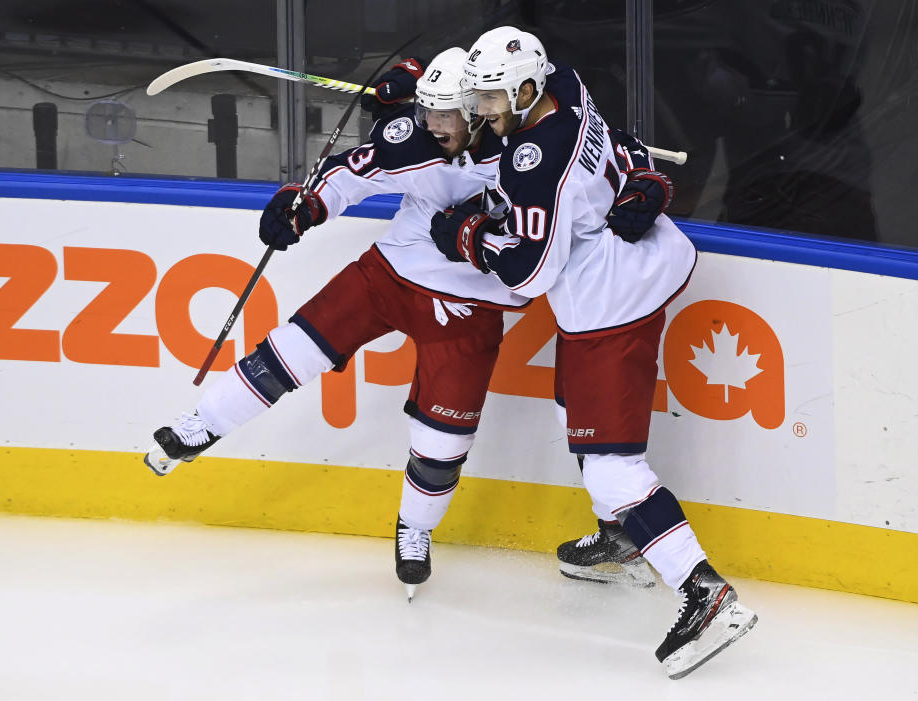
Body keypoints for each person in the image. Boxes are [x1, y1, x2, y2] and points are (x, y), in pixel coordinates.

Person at [429, 26, 756, 679]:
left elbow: (529, 274)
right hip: (630, 270)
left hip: (612, 304)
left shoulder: (533, 162)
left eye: (493, 97)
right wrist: (641, 178)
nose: (486, 109)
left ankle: (706, 592)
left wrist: (470, 237)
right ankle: (621, 539)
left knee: (610, 466)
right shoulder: (567, 82)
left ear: (525, 88)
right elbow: (624, 146)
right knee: (567, 408)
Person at [143, 48, 523, 600]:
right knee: (296, 347)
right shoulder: (413, 140)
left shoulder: (529, 147)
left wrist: (639, 178)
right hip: (393, 272)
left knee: (443, 441)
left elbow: (593, 155)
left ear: (482, 109)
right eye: (428, 111)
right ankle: (201, 424)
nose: (434, 125)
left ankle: (414, 530)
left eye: (447, 114)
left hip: (475, 303)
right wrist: (303, 207)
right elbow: (348, 175)